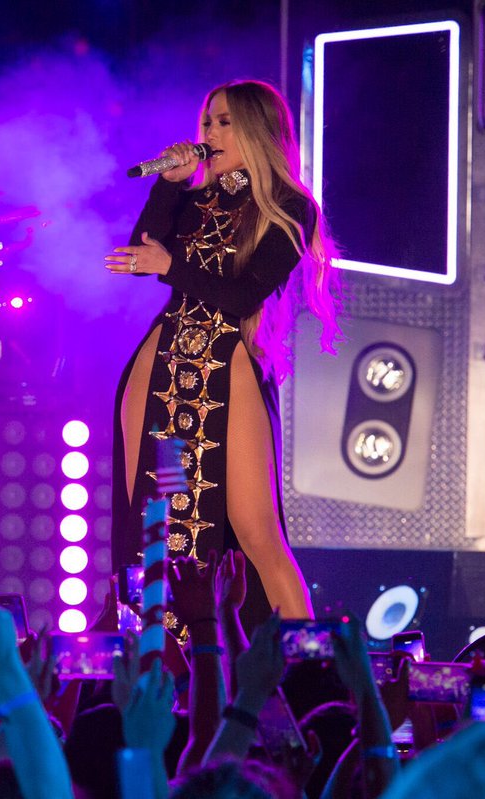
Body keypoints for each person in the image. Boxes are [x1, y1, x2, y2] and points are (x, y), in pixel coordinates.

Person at [106, 80, 341, 623]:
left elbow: (242, 295)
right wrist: (168, 184)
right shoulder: (196, 198)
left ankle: (313, 672)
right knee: (156, 525)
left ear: (259, 130)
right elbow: (143, 250)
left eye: (225, 122)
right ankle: (161, 665)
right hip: (162, 360)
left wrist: (171, 267)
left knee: (258, 532)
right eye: (207, 121)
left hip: (226, 362)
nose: (210, 132)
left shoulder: (288, 208)